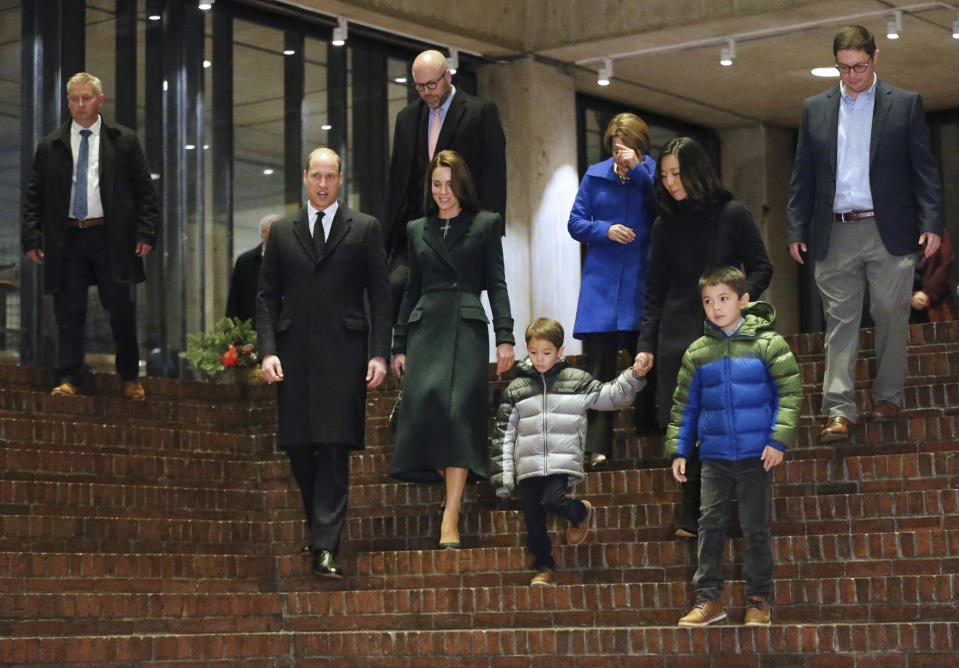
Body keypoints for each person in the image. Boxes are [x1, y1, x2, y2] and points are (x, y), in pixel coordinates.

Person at [787, 25, 944, 443]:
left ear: (875, 59)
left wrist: (931, 223)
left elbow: (924, 171)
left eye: (858, 66)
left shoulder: (905, 105)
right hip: (834, 231)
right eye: (843, 68)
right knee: (840, 321)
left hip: (888, 228)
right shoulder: (814, 108)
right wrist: (796, 227)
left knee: (892, 313)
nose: (851, 75)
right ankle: (839, 410)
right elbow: (802, 176)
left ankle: (888, 396)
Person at [257, 147, 391, 578]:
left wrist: (378, 352)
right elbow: (265, 298)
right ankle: (320, 527)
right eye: (316, 175)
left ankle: (325, 546)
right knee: (299, 447)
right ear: (304, 176)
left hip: (344, 354)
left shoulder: (365, 227)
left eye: (330, 176)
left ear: (340, 179)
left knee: (334, 447)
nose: (322, 184)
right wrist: (267, 349)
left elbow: (381, 295)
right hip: (293, 354)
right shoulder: (281, 233)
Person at [634, 136, 772, 539]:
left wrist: (739, 302)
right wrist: (646, 345)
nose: (671, 182)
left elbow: (762, 266)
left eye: (677, 173)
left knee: (726, 418)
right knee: (687, 424)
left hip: (727, 332)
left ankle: (720, 510)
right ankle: (690, 514)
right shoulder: (664, 224)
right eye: (664, 175)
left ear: (697, 171)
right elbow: (654, 291)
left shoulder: (732, 214)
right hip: (677, 334)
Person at [390, 149, 514, 549]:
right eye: (436, 184)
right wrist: (399, 344)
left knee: (459, 414)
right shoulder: (416, 228)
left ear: (463, 184)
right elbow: (411, 289)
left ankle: (451, 512)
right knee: (428, 413)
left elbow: (496, 284)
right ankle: (453, 494)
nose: (443, 192)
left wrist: (506, 336)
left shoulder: (485, 224)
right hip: (425, 328)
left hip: (466, 328)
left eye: (450, 184)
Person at [668, 267, 802, 628]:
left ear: (744, 300)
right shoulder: (698, 352)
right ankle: (709, 601)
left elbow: (789, 394)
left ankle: (758, 600)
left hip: (756, 455)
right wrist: (680, 450)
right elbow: (685, 406)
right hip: (713, 457)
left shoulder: (768, 344)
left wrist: (778, 441)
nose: (715, 307)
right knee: (709, 525)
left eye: (723, 299)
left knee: (755, 528)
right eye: (708, 301)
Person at [22, 72, 159, 400]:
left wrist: (145, 231)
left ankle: (129, 377)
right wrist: (31, 237)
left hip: (111, 237)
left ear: (100, 100)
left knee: (121, 308)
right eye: (74, 99)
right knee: (68, 311)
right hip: (66, 237)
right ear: (67, 101)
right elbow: (33, 196)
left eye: (86, 98)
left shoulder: (123, 140)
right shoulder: (50, 145)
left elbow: (145, 192)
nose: (80, 105)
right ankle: (70, 377)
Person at [491, 317, 647, 586]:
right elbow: (503, 434)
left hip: (560, 461)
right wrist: (503, 474)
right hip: (527, 467)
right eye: (533, 353)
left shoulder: (575, 380)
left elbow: (611, 396)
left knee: (552, 501)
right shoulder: (517, 388)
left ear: (560, 351)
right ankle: (544, 566)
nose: (540, 359)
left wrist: (633, 376)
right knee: (533, 519)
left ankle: (580, 513)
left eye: (547, 353)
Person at [385, 49, 507, 316]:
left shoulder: (480, 111)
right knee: (396, 289)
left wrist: (490, 233)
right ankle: (401, 355)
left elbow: (495, 175)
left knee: (453, 305)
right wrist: (388, 237)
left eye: (432, 84)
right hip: (417, 229)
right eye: (419, 86)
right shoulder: (406, 118)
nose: (427, 92)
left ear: (448, 75)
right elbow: (397, 180)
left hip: (464, 229)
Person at [567, 112, 658, 469]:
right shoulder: (594, 175)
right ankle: (598, 446)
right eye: (617, 148)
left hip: (640, 279)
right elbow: (575, 222)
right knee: (600, 371)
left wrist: (638, 171)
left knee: (644, 362)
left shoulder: (651, 175)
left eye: (628, 149)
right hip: (602, 285)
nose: (621, 155)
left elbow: (659, 211)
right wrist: (604, 230)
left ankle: (649, 431)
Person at [225, 213, 279, 328]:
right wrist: (231, 332)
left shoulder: (293, 258)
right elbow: (235, 299)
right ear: (263, 233)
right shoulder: (246, 261)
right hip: (252, 327)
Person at [911, 230, 955, 323]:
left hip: (936, 301)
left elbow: (946, 262)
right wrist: (910, 296)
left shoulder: (935, 226)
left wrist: (927, 293)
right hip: (902, 300)